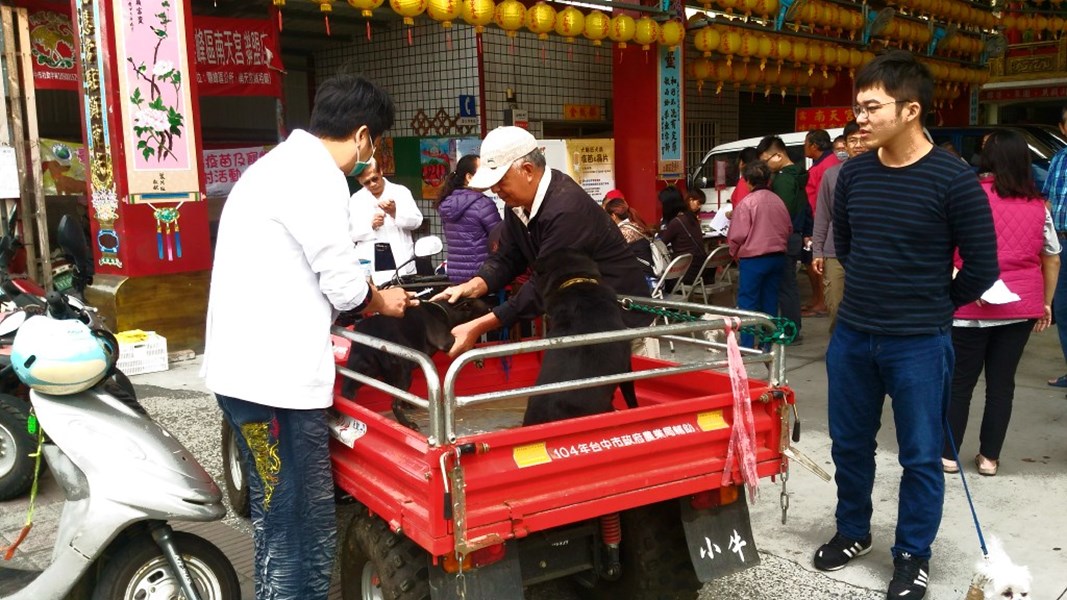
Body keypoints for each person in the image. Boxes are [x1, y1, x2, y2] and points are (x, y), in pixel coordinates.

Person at [202, 75, 413, 600]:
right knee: (304, 522)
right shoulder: (316, 178)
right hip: (278, 389)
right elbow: (344, 288)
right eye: (375, 144)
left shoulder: (273, 168)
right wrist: (381, 300)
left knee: (275, 515)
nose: (370, 156)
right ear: (363, 136)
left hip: (242, 381)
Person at [816, 50, 998, 600]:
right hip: (853, 336)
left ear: (911, 109)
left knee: (920, 454)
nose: (860, 118)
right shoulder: (852, 176)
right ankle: (853, 532)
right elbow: (846, 245)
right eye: (858, 107)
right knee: (850, 443)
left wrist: (936, 305)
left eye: (872, 107)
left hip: (919, 342)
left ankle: (913, 554)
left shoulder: (953, 179)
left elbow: (983, 265)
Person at [433, 126, 653, 357]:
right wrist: (474, 285)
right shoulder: (517, 205)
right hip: (579, 316)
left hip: (619, 318)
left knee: (621, 389)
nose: (495, 189)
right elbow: (508, 256)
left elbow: (544, 284)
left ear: (527, 170)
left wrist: (479, 326)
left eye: (501, 180)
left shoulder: (567, 209)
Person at [943, 129, 1060, 477]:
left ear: (987, 159)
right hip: (1021, 306)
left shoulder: (967, 197)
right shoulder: (1039, 206)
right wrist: (1046, 303)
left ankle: (947, 455)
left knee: (960, 383)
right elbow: (1052, 257)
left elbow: (944, 249)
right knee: (1001, 385)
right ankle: (989, 458)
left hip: (968, 305)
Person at [726, 160, 791, 348]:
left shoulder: (747, 203)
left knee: (748, 303)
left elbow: (737, 235)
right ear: (768, 179)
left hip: (753, 259)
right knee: (770, 301)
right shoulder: (778, 201)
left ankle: (746, 345)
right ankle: (767, 344)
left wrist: (734, 252)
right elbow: (788, 228)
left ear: (747, 181)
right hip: (777, 257)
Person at [812, 120, 865, 331]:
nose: (858, 145)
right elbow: (823, 215)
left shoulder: (883, 172)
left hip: (868, 253)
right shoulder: (831, 175)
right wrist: (817, 250)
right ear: (845, 144)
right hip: (834, 252)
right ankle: (840, 348)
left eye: (862, 139)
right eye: (853, 140)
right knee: (835, 304)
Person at [756, 135, 807, 340]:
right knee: (789, 285)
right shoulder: (798, 174)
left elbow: (781, 213)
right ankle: (792, 328)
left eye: (766, 161)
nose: (765, 167)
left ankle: (790, 331)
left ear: (778, 155)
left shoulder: (785, 179)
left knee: (785, 287)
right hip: (794, 235)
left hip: (785, 237)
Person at [350, 159, 424, 285]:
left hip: (401, 259)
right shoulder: (356, 199)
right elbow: (350, 234)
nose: (372, 184)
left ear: (381, 172)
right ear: (359, 181)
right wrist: (370, 226)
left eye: (375, 179)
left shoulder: (401, 192)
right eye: (366, 183)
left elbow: (417, 222)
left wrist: (395, 213)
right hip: (371, 261)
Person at [436, 154, 502, 284]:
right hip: (480, 276)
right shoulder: (483, 204)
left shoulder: (446, 202)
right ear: (469, 177)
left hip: (455, 274)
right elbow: (500, 238)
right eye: (483, 171)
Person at [801, 129, 840, 317]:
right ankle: (818, 300)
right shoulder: (827, 163)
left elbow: (820, 202)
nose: (804, 147)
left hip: (820, 221)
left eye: (805, 143)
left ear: (814, 146)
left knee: (819, 266)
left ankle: (821, 302)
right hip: (819, 219)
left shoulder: (826, 167)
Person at [1042, 107, 1067, 389]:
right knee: (1063, 308)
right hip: (1061, 243)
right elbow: (1047, 200)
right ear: (1062, 128)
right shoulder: (1058, 160)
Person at [660, 186, 708, 285]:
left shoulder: (676, 221)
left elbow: (661, 243)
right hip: (700, 270)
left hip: (685, 272)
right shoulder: (692, 218)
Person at [604, 194, 656, 283]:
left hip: (640, 277)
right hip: (650, 270)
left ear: (613, 216)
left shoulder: (622, 232)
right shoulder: (636, 225)